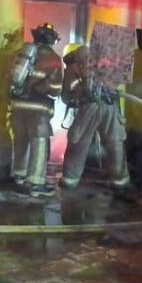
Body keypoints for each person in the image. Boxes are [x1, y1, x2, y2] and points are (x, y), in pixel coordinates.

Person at [59, 44, 130, 190]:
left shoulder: (73, 68)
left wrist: (78, 97)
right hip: (110, 107)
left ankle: (70, 180)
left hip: (89, 108)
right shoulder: (105, 64)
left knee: (79, 141)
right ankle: (120, 181)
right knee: (115, 142)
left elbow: (66, 96)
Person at [9, 23, 63, 197]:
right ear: (51, 40)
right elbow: (55, 89)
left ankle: (19, 176)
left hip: (17, 105)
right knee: (39, 143)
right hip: (38, 109)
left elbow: (10, 79)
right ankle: (36, 183)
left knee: (21, 140)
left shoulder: (21, 53)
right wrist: (44, 88)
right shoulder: (53, 58)